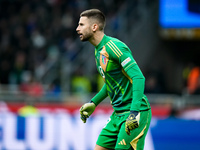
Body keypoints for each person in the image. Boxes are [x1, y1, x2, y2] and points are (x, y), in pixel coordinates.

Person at [76, 9, 151, 150]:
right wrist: (94, 102)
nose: (77, 28)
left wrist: (134, 113)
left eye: (81, 24)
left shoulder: (114, 47)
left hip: (135, 112)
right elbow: (110, 83)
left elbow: (138, 77)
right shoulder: (98, 51)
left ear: (94, 27)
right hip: (117, 114)